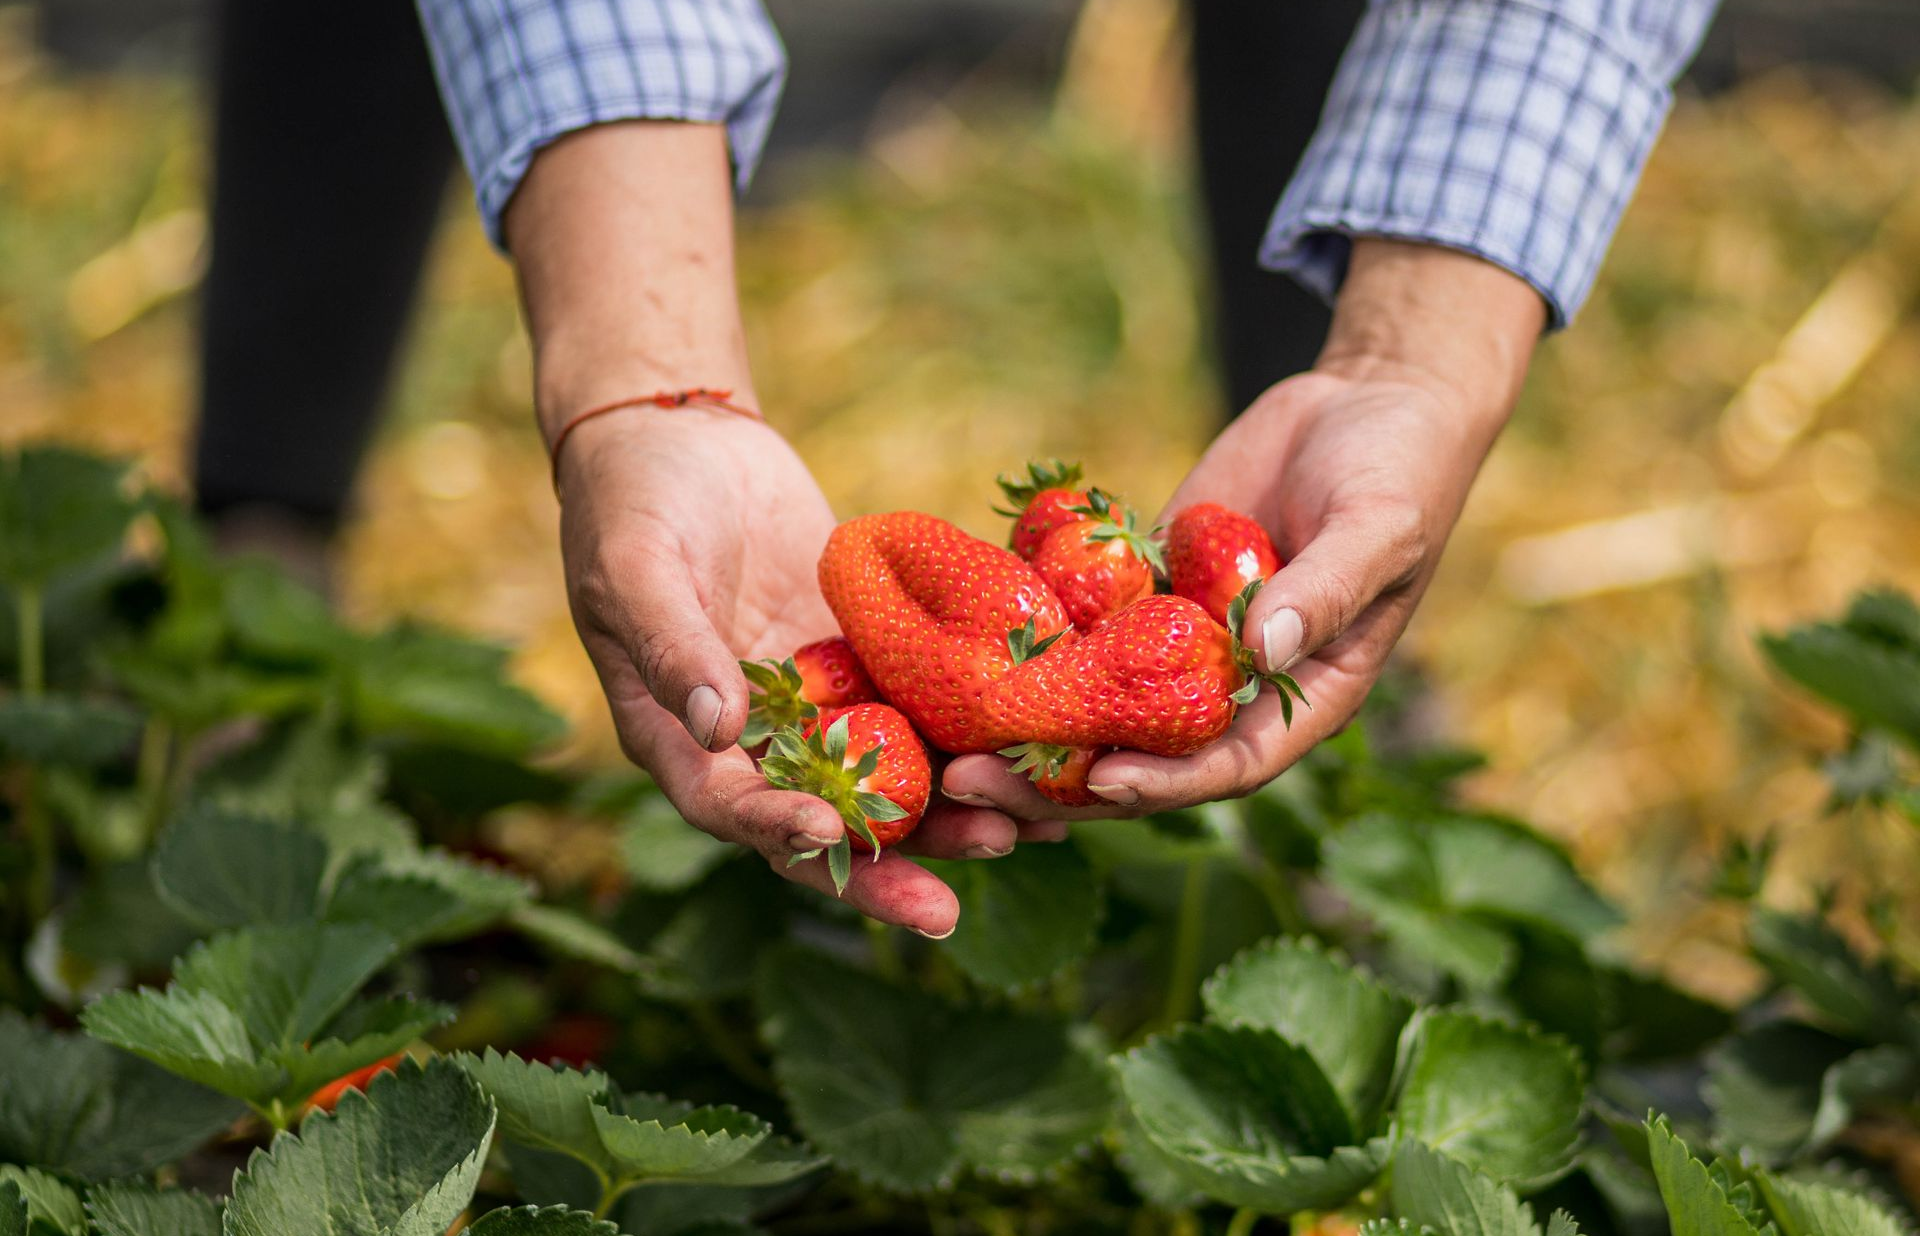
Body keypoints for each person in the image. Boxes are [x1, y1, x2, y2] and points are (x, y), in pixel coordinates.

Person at [401, 0, 1721, 940]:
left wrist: (1414, 360)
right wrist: (640, 376)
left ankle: (1325, 641)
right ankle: (263, 527)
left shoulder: (1056, 645)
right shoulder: (1026, 641)